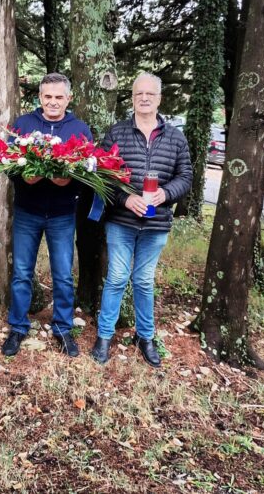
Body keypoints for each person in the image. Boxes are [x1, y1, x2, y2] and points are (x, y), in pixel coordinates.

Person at [90, 73, 193, 367]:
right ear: (133, 98)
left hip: (156, 223)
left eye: (150, 94)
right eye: (139, 94)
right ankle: (104, 337)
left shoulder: (175, 137)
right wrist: (126, 198)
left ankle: (145, 337)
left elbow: (186, 176)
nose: (144, 98)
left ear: (159, 99)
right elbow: (102, 176)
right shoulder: (117, 133)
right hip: (121, 220)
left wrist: (166, 193)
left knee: (144, 281)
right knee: (117, 278)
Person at [1, 73, 93, 358]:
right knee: (21, 273)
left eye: (59, 97)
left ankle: (63, 327)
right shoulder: (24, 125)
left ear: (69, 98)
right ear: (40, 97)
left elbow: (88, 169)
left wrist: (70, 181)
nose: (53, 102)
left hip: (63, 214)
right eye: (47, 96)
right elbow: (7, 162)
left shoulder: (79, 129)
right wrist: (22, 178)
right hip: (28, 211)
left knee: (63, 275)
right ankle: (18, 326)